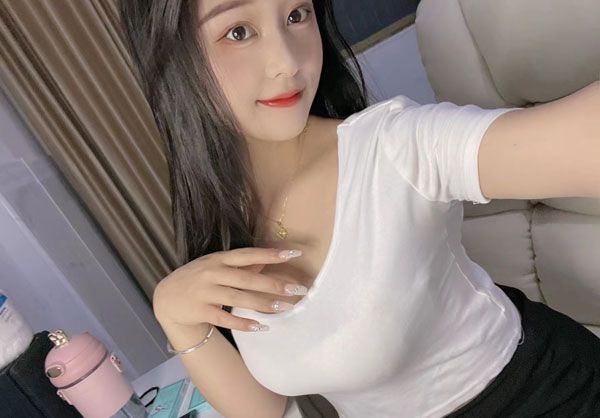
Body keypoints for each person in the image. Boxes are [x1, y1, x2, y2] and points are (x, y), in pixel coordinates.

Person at [118, 1, 600, 417]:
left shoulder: (394, 147)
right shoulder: (224, 209)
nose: (287, 62)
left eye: (296, 15)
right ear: (172, 58)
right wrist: (177, 317)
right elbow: (265, 409)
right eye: (239, 32)